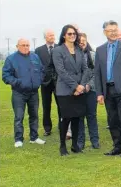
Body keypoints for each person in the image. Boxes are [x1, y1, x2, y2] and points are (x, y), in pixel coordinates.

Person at [94, 20, 121, 158]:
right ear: (104, 32)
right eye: (109, 30)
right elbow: (98, 73)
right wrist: (99, 93)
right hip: (108, 91)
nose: (113, 32)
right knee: (112, 121)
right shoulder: (100, 50)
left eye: (115, 30)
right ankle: (117, 147)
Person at [52, 24, 90, 156]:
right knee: (66, 118)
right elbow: (61, 71)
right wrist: (75, 86)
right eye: (69, 34)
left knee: (76, 118)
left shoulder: (79, 49)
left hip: (80, 89)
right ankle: (63, 146)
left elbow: (86, 69)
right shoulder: (58, 51)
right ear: (64, 35)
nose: (72, 36)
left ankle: (75, 145)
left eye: (74, 33)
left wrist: (82, 85)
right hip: (65, 90)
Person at [2, 38, 46, 147]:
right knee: (19, 116)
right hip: (19, 93)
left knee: (34, 115)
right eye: (23, 45)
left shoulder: (35, 57)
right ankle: (18, 139)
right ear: (17, 46)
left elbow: (42, 71)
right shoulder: (11, 59)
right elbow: (6, 75)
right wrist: (18, 83)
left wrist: (39, 81)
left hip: (33, 92)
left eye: (27, 45)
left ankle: (34, 137)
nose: (26, 47)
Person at [35, 29, 60, 136]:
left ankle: (62, 125)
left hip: (59, 82)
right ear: (45, 37)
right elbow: (36, 66)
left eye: (53, 35)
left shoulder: (60, 47)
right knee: (46, 106)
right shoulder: (39, 50)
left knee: (61, 105)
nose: (52, 37)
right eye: (50, 35)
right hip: (45, 83)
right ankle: (47, 128)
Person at [77, 33, 100, 150]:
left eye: (83, 41)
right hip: (78, 91)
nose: (82, 43)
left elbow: (96, 73)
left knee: (92, 116)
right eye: (79, 41)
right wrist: (79, 86)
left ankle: (95, 141)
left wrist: (88, 85)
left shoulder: (93, 55)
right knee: (79, 117)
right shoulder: (72, 55)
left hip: (91, 91)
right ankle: (80, 142)